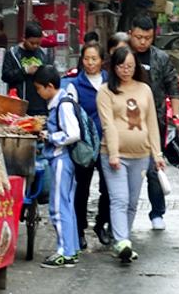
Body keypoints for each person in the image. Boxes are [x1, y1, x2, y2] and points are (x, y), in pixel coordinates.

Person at [96, 46, 166, 263]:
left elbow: (152, 123)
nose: (125, 70)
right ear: (113, 67)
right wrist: (114, 154)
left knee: (133, 201)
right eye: (121, 66)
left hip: (141, 155)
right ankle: (122, 241)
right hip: (114, 155)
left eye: (130, 66)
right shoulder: (105, 91)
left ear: (136, 67)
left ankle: (122, 241)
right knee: (119, 199)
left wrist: (157, 153)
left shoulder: (145, 89)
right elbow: (108, 125)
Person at [127, 16, 179, 231]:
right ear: (131, 33)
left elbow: (173, 87)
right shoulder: (123, 56)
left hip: (154, 123)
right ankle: (123, 214)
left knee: (153, 170)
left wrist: (176, 116)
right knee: (125, 171)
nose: (143, 42)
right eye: (139, 37)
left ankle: (157, 212)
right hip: (125, 123)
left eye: (147, 38)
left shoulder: (160, 58)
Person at [33, 66, 82, 268]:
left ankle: (64, 251)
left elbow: (73, 133)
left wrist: (49, 136)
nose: (38, 93)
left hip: (62, 159)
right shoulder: (60, 101)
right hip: (65, 160)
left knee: (58, 207)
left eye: (38, 89)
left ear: (49, 87)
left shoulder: (62, 105)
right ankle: (73, 249)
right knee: (67, 205)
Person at [65, 42, 112, 249]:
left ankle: (101, 224)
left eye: (94, 59)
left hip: (107, 143)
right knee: (81, 188)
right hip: (84, 146)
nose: (90, 63)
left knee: (108, 187)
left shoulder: (110, 82)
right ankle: (79, 229)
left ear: (102, 60)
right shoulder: (75, 84)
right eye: (86, 59)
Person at [3, 23, 51, 116]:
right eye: (32, 43)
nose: (35, 46)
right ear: (24, 38)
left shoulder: (41, 53)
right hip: (21, 105)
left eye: (38, 43)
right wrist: (25, 71)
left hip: (40, 106)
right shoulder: (13, 53)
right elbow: (5, 76)